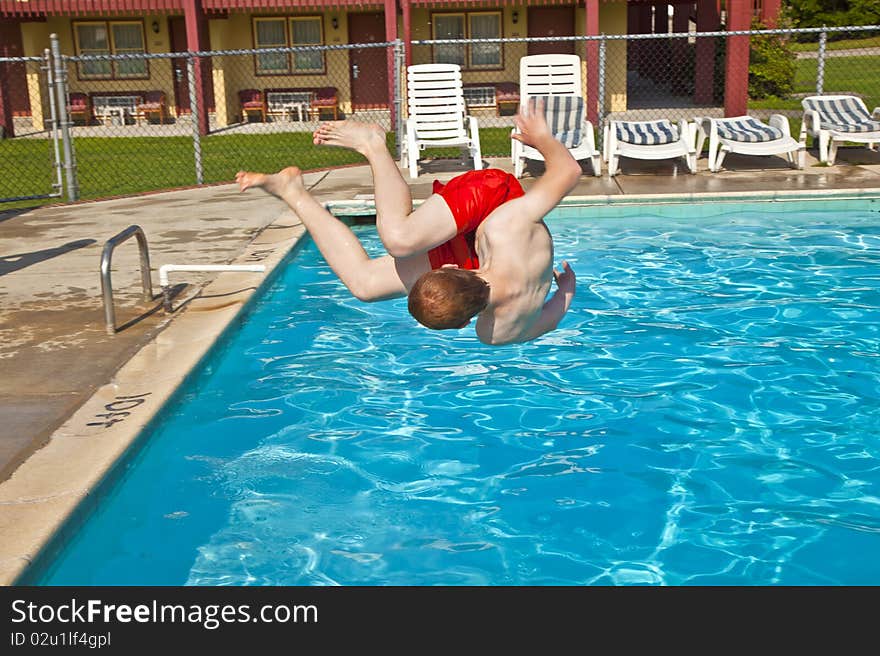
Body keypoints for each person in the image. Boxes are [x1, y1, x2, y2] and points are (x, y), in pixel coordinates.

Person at [236, 99, 579, 345]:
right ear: (446, 268)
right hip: (493, 202)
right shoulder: (505, 231)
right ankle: (373, 145)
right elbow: (568, 171)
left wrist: (566, 288)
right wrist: (543, 139)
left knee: (365, 286)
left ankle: (293, 192)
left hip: (486, 256)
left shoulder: (497, 328)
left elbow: (547, 319)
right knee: (399, 241)